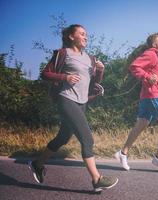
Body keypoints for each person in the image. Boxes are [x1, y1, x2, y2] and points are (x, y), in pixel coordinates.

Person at [28, 24, 118, 192]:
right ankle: (97, 179)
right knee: (87, 139)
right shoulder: (63, 54)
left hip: (82, 101)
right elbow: (45, 73)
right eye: (82, 34)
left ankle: (37, 164)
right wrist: (65, 77)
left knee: (63, 138)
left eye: (86, 35)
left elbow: (94, 82)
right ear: (71, 36)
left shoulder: (90, 58)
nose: (86, 37)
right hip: (66, 99)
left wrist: (100, 70)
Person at [114, 33, 158, 172]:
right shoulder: (151, 54)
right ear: (154, 44)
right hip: (152, 95)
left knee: (142, 124)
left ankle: (122, 153)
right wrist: (147, 76)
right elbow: (134, 66)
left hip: (147, 96)